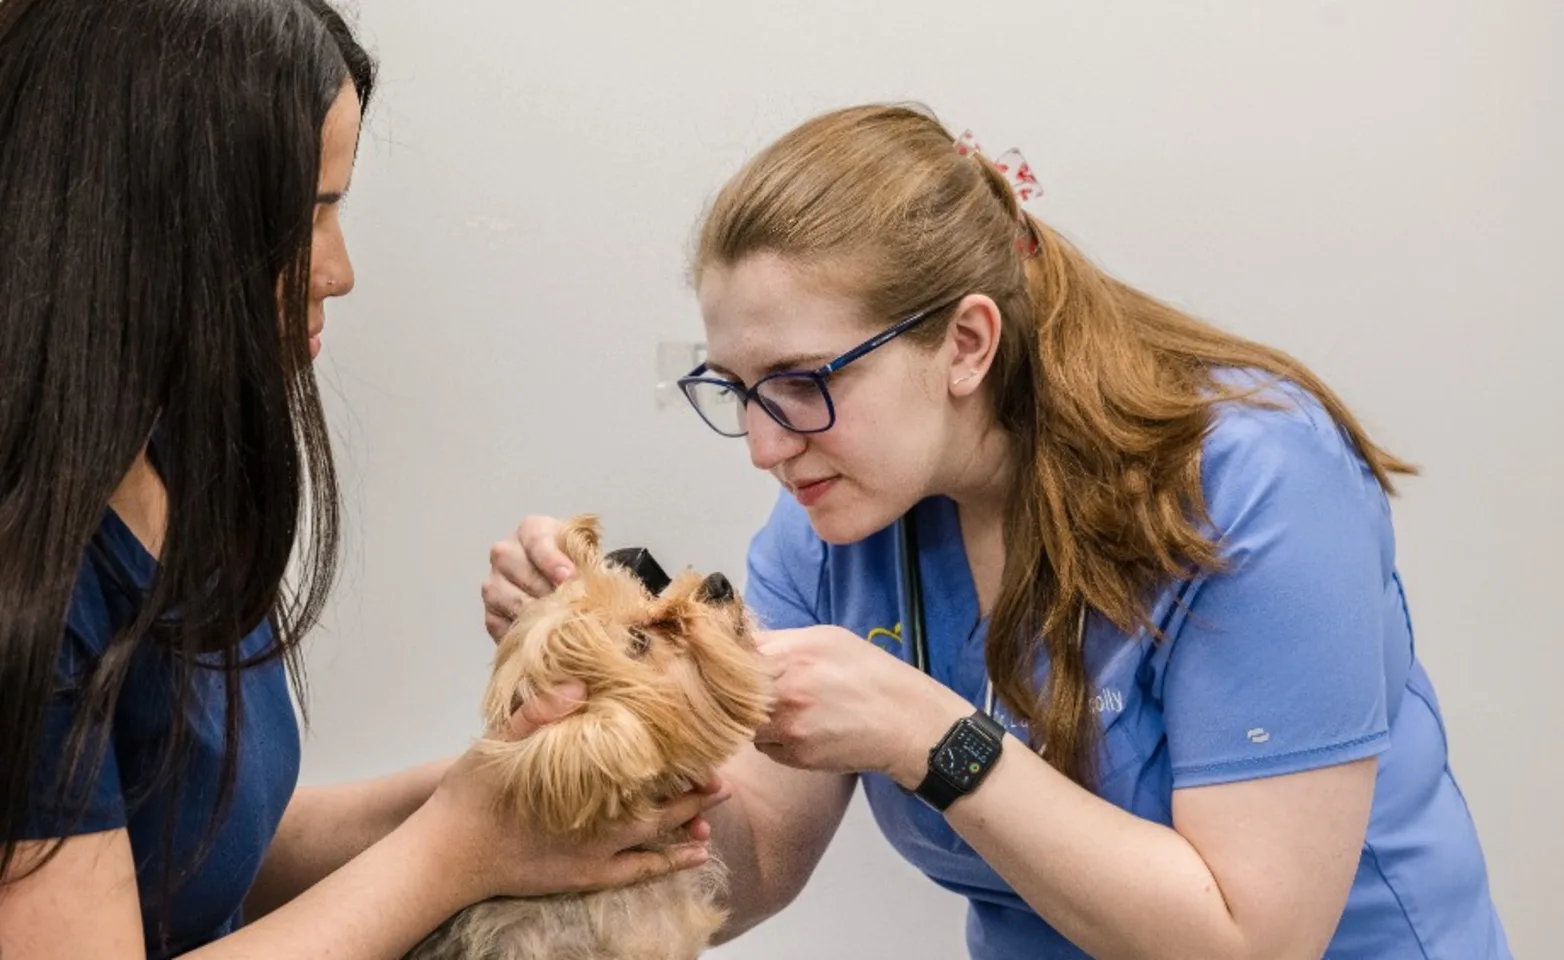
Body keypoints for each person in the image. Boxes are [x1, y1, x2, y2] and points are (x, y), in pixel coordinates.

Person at [484, 104, 1512, 959]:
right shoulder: (833, 525)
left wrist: (928, 735)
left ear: (966, 342)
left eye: (800, 384)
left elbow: (1251, 941)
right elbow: (747, 867)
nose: (761, 444)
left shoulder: (1254, 480)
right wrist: (618, 717)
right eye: (737, 389)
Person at [0, 1, 721, 956]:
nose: (338, 271)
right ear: (146, 222)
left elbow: (203, 854)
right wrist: (459, 847)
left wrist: (499, 796)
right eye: (312, 216)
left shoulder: (174, 467)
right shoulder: (31, 570)